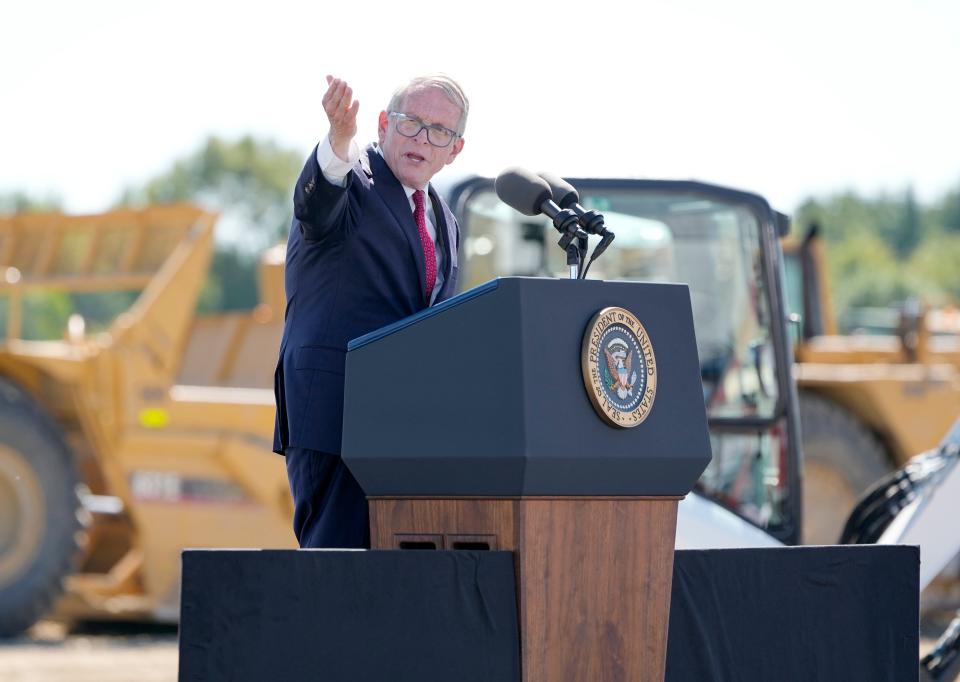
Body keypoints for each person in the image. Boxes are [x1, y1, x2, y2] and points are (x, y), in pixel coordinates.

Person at [272, 74, 468, 548]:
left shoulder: (446, 220)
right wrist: (339, 137)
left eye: (438, 131)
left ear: (455, 150)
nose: (422, 139)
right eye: (411, 123)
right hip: (335, 416)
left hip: (405, 427)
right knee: (336, 567)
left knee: (386, 585)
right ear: (382, 124)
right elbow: (316, 205)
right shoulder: (353, 179)